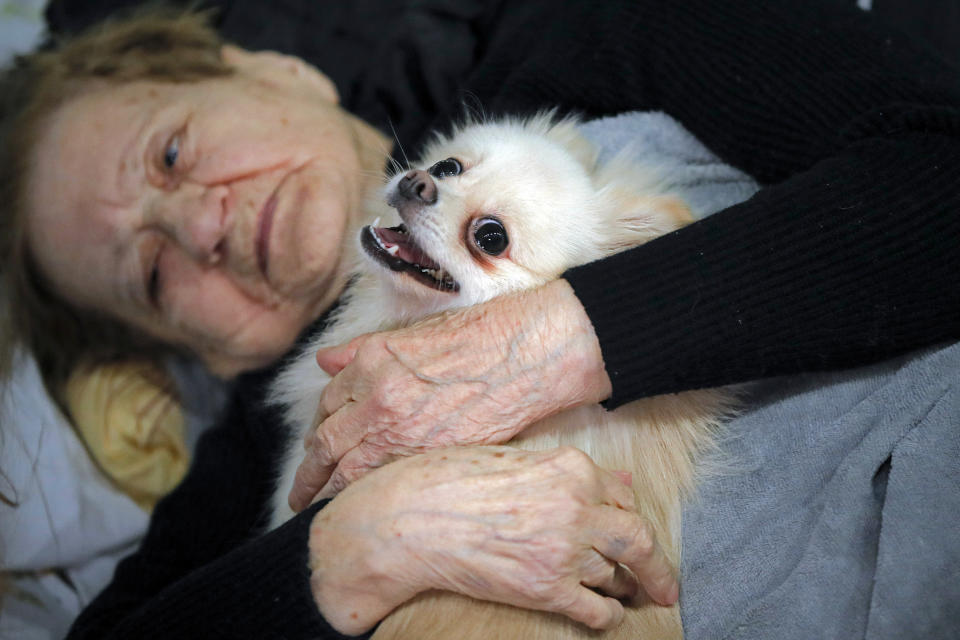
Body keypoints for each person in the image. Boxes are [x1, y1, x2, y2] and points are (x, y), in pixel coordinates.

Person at [0, 0, 957, 637]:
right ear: (192, 353)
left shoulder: (590, 32)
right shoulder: (246, 478)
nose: (200, 223)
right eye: (154, 275)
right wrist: (356, 548)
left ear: (276, 70)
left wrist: (561, 340)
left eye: (169, 154)